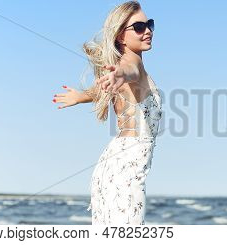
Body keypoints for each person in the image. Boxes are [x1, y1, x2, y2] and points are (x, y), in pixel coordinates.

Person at [51, 1, 162, 225]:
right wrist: (120, 75)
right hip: (125, 171)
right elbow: (128, 72)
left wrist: (81, 96)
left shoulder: (131, 65)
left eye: (149, 24)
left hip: (117, 166)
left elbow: (115, 82)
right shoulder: (132, 64)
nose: (148, 30)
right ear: (121, 36)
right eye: (139, 27)